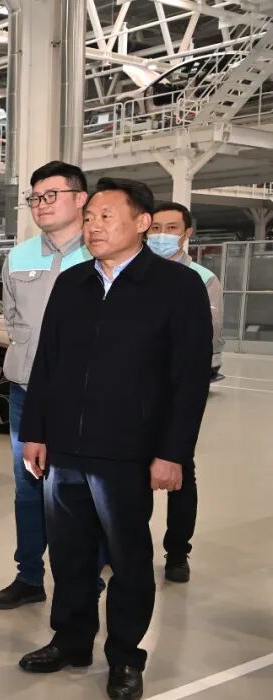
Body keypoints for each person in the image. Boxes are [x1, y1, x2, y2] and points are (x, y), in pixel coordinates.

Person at [18, 178, 212, 700]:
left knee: (128, 559)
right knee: (70, 554)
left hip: (128, 450)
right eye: (89, 217)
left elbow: (189, 379)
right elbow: (47, 362)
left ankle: (125, 655)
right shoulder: (73, 282)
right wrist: (35, 431)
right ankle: (71, 639)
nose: (94, 226)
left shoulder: (177, 286)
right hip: (65, 448)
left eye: (106, 216)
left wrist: (172, 453)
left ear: (141, 223)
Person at [0, 161, 91, 610]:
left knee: (82, 488)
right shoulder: (19, 256)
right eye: (35, 198)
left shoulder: (102, 251)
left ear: (80, 198)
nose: (41, 205)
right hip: (27, 393)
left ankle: (86, 578)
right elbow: (13, 320)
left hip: (85, 397)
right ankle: (29, 576)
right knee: (27, 486)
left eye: (51, 195)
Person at [148, 201, 224, 583]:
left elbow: (206, 340)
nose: (162, 235)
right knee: (131, 472)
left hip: (178, 392)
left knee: (180, 468)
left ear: (187, 233)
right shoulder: (135, 273)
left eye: (171, 228)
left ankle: (177, 552)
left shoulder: (202, 279)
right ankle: (123, 543)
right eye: (156, 227)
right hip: (137, 390)